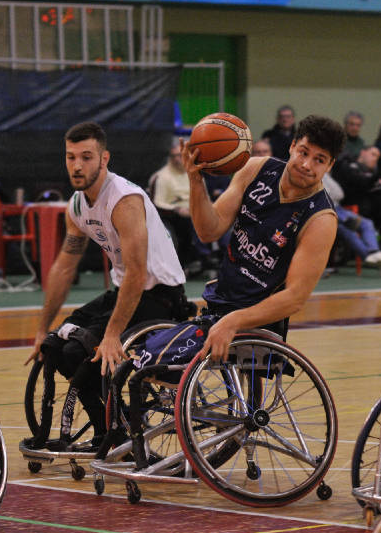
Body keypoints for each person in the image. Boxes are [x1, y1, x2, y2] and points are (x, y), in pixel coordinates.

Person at [24, 122, 194, 451]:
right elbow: (64, 267)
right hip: (126, 292)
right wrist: (41, 329)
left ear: (104, 159)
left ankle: (116, 430)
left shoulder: (124, 200)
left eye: (86, 157)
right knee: (56, 346)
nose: (77, 165)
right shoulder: (76, 206)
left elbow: (136, 271)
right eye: (71, 157)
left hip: (160, 296)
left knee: (82, 350)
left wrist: (112, 333)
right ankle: (110, 430)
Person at [184, 114, 345, 360]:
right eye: (303, 152)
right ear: (292, 146)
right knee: (153, 364)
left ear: (330, 165)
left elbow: (294, 298)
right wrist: (196, 180)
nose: (306, 165)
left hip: (258, 321)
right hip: (220, 298)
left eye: (319, 160)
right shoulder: (256, 168)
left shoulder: (321, 220)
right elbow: (209, 231)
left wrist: (235, 321)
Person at [322, 169, 381, 274]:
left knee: (367, 224)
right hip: (323, 212)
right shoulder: (312, 174)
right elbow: (322, 196)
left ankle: (373, 253)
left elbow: (339, 194)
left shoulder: (325, 175)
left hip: (338, 208)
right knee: (348, 230)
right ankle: (375, 258)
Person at [150, 138, 199, 271]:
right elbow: (157, 202)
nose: (177, 159)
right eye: (174, 156)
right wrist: (177, 209)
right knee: (174, 237)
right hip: (169, 217)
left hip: (194, 214)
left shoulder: (194, 174)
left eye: (180, 155)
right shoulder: (161, 177)